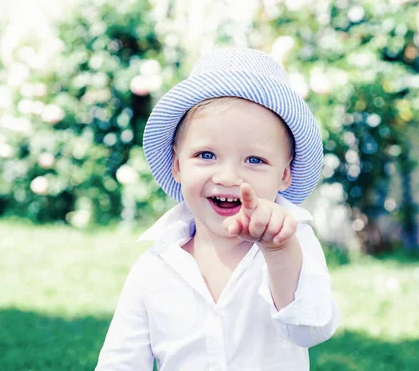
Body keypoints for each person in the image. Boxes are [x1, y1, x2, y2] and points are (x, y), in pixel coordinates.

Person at [95, 48, 340, 371]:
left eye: (255, 160)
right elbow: (120, 362)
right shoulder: (155, 266)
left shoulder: (295, 241)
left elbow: (310, 328)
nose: (227, 177)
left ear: (284, 174)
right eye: (206, 155)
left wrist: (279, 251)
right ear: (177, 164)